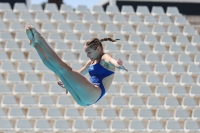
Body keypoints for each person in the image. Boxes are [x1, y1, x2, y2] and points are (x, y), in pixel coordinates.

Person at [25, 25, 128, 106]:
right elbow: (80, 73)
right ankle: (35, 44)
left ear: (98, 49)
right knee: (57, 70)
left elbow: (111, 60)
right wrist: (68, 80)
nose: (87, 56)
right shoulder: (91, 62)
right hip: (84, 100)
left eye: (89, 52)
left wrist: (118, 65)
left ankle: (40, 39)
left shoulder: (104, 58)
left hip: (93, 93)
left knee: (64, 68)